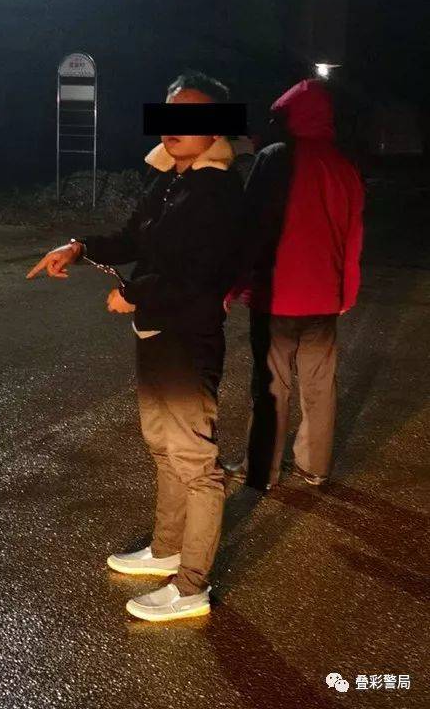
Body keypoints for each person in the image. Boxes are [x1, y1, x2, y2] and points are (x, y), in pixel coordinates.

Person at [27, 71, 244, 621]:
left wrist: (133, 293)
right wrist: (79, 246)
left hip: (188, 337)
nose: (174, 126)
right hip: (156, 331)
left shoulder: (218, 190)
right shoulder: (170, 178)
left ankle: (191, 586)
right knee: (162, 446)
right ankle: (166, 549)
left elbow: (201, 272)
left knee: (195, 462)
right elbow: (132, 239)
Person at [224, 78, 365, 491]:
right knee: (320, 385)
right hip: (324, 299)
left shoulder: (274, 159)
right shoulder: (344, 167)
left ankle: (262, 469)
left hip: (276, 296)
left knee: (272, 385)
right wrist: (347, 292)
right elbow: (353, 236)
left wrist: (231, 286)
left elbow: (251, 228)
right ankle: (314, 465)